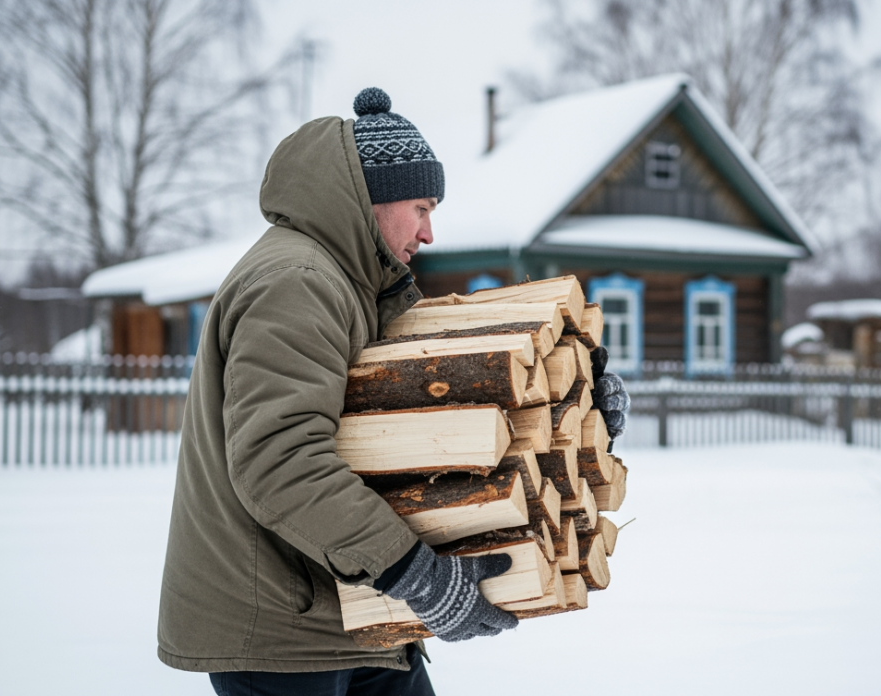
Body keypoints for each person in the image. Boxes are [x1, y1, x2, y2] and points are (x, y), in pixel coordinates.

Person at [156, 87, 628, 696]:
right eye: (421, 207)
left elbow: (418, 420)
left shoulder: (357, 287)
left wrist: (575, 407)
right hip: (282, 628)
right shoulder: (298, 283)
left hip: (355, 608)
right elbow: (280, 462)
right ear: (371, 198)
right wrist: (416, 575)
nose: (429, 232)